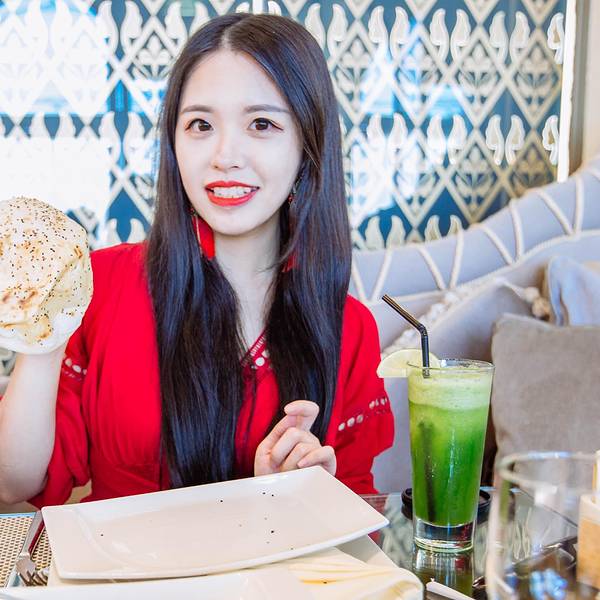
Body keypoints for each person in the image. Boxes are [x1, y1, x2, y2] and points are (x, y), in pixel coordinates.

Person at [0, 13, 393, 507]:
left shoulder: (349, 328)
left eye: (262, 124)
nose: (225, 155)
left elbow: (360, 518)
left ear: (307, 146)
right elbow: (13, 484)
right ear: (174, 143)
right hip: (115, 559)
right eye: (201, 125)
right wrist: (41, 324)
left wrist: (293, 494)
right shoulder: (100, 285)